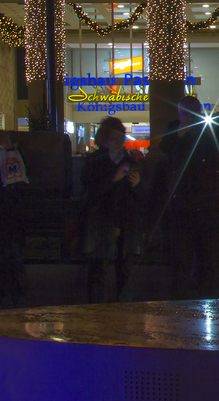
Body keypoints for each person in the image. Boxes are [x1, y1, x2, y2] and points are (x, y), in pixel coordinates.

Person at [151, 97, 219, 299]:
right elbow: (168, 149)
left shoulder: (210, 129)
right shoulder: (174, 130)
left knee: (211, 257)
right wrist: (182, 131)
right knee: (182, 257)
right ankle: (182, 299)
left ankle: (210, 297)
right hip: (184, 203)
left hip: (209, 202)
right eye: (184, 113)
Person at [78, 117, 143, 302]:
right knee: (99, 271)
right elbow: (91, 194)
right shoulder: (95, 164)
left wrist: (137, 185)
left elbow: (140, 198)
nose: (119, 143)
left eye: (121, 138)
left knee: (125, 273)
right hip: (101, 224)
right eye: (114, 139)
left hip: (125, 222)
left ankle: (122, 310)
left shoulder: (131, 162)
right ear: (105, 141)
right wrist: (113, 179)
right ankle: (98, 311)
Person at [0, 132, 26, 308]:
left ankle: (1, 296)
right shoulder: (9, 159)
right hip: (9, 221)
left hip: (0, 221)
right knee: (12, 261)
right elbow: (17, 186)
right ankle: (14, 298)